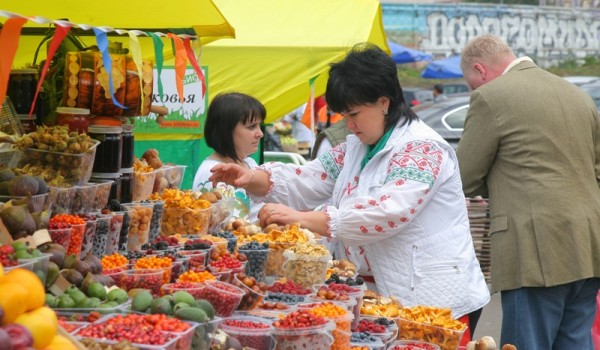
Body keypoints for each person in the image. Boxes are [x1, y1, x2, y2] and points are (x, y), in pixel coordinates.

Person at [210, 43, 490, 336]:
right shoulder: (358, 146)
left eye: (354, 113)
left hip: (431, 300)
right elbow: (308, 177)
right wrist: (251, 177)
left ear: (384, 102)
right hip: (381, 294)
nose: (350, 124)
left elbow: (385, 212)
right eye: (344, 115)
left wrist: (302, 219)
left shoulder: (422, 148)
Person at [457, 34, 600, 349]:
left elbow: (465, 176)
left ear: (480, 70)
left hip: (534, 251)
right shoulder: (579, 96)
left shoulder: (490, 97)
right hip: (588, 246)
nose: (474, 91)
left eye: (471, 84)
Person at [192, 92, 266, 222]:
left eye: (260, 125)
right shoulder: (213, 172)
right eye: (251, 126)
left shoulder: (250, 163)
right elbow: (226, 228)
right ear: (225, 130)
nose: (260, 133)